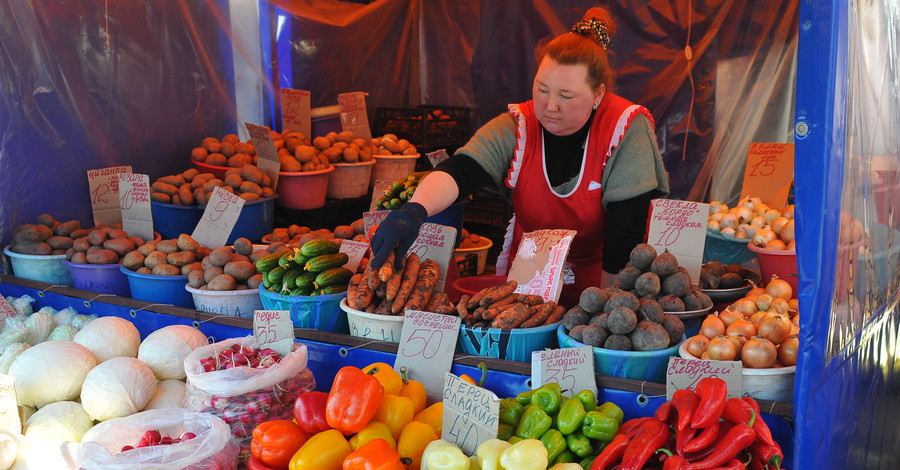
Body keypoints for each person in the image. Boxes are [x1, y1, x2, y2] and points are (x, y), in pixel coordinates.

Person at [370, 7, 669, 308]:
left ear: (598, 94)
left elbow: (625, 235)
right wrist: (412, 212)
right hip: (527, 284)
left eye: (566, 96)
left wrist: (607, 312)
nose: (550, 105)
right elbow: (462, 171)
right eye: (542, 89)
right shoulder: (517, 126)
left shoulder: (625, 128)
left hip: (606, 279)